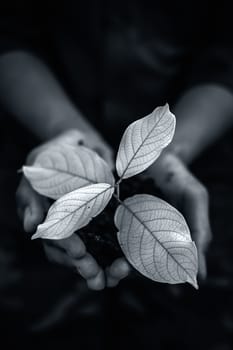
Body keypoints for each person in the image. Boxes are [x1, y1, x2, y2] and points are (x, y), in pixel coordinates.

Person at [0, 0, 233, 340]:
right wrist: (60, 130)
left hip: (204, 158)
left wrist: (173, 150)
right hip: (27, 140)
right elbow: (8, 34)